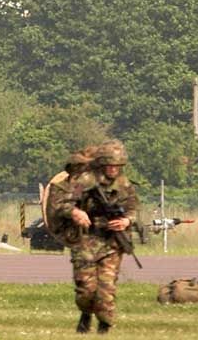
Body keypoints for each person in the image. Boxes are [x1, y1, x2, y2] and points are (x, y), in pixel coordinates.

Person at [51, 140, 138, 334]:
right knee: (86, 290)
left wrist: (126, 221)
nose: (114, 169)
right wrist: (75, 212)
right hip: (85, 241)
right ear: (102, 164)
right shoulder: (83, 181)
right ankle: (86, 313)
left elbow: (133, 209)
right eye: (110, 165)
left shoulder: (124, 185)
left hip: (111, 242)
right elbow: (63, 203)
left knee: (107, 288)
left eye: (117, 166)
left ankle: (104, 326)